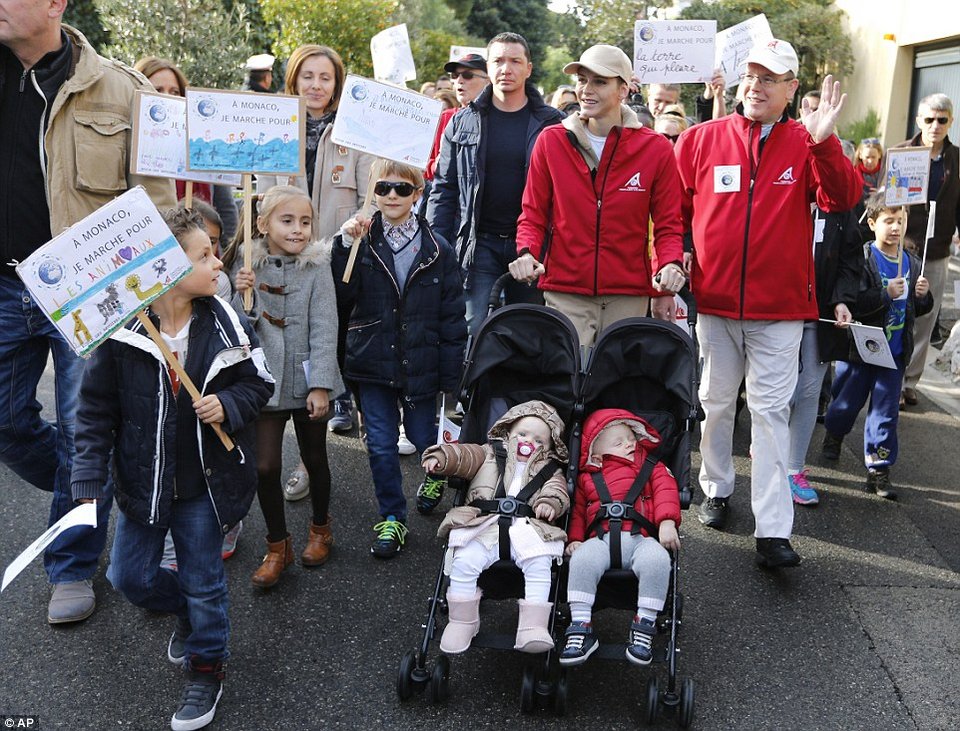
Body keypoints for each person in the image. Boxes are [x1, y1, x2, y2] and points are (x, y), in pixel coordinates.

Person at [0, 5, 175, 624]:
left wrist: (151, 294)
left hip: (85, 291)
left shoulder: (127, 90)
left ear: (54, 3)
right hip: (3, 290)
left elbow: (157, 203)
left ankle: (72, 564)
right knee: (8, 425)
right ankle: (92, 487)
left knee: (82, 429)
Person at [70, 206, 273, 730]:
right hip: (146, 483)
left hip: (206, 485)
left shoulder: (226, 320)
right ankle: (187, 612)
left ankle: (207, 666)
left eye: (214, 253)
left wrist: (228, 404)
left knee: (206, 582)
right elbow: (94, 412)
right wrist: (88, 475)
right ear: (163, 266)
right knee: (128, 577)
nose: (217, 265)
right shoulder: (121, 334)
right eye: (203, 256)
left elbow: (260, 382)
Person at [673, 39, 860, 568]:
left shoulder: (807, 142)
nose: (757, 86)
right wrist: (681, 249)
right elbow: (675, 207)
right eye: (751, 76)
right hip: (714, 303)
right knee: (714, 402)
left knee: (771, 414)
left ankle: (773, 530)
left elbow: (842, 199)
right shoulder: (702, 138)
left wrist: (825, 144)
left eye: (770, 78)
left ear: (791, 88)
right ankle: (717, 487)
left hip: (779, 312)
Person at [509, 45, 685, 349]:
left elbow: (668, 224)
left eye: (599, 82)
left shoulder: (656, 149)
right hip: (566, 290)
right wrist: (526, 253)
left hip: (628, 293)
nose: (586, 90)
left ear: (624, 89)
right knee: (571, 386)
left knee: (614, 389)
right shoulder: (551, 141)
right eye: (582, 80)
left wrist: (669, 265)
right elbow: (533, 215)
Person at [332, 161, 467, 557]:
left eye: (402, 189)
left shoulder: (439, 249)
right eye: (384, 187)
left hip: (421, 361)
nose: (392, 195)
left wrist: (450, 374)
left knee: (425, 439)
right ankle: (392, 516)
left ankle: (436, 476)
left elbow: (452, 316)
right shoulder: (360, 239)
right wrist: (344, 246)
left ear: (418, 194)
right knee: (380, 444)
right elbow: (341, 297)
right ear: (373, 191)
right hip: (372, 359)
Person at [257, 45, 374, 472]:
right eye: (308, 76)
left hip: (337, 255)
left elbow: (369, 196)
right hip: (284, 256)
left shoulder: (352, 132)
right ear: (294, 80)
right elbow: (266, 193)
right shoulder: (275, 127)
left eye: (325, 78)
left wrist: (360, 222)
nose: (316, 85)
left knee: (329, 335)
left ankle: (318, 433)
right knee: (286, 341)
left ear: (336, 84)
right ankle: (284, 417)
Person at [231, 186, 342, 588]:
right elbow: (234, 327)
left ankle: (320, 528)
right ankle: (277, 545)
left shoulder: (317, 267)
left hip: (306, 377)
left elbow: (326, 326)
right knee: (264, 466)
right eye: (287, 220)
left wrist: (321, 385)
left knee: (315, 458)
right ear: (262, 224)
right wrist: (237, 291)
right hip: (265, 381)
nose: (298, 229)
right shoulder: (246, 267)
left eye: (306, 222)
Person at [427, 32, 564, 335]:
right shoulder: (462, 121)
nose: (506, 68)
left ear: (529, 68)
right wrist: (437, 245)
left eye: (515, 61)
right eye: (499, 61)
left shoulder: (553, 123)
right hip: (479, 244)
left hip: (534, 245)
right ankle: (476, 385)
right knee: (475, 329)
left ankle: (521, 385)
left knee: (528, 331)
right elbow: (444, 189)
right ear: (488, 68)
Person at [422, 400, 569, 654]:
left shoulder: (550, 468)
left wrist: (550, 503)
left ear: (549, 447)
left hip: (528, 527)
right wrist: (442, 456)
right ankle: (462, 621)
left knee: (540, 564)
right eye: (522, 434)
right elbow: (463, 456)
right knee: (464, 560)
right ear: (509, 432)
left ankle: (533, 626)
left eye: (538, 440)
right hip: (483, 523)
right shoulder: (489, 452)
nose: (528, 442)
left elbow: (558, 490)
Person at [822, 193, 933, 499]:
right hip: (861, 351)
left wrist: (922, 295)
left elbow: (917, 309)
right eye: (888, 221)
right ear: (872, 224)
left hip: (894, 354)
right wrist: (886, 293)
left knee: (885, 412)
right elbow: (854, 303)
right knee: (845, 403)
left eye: (900, 220)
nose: (895, 227)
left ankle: (879, 468)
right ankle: (834, 433)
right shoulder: (864, 259)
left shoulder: (911, 261)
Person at [559, 409, 680, 667]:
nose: (629, 444)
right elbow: (579, 511)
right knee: (581, 560)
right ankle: (580, 624)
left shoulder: (651, 467)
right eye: (618, 442)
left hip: (641, 538)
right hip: (599, 540)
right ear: (595, 452)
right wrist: (574, 539)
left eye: (630, 438)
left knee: (658, 561)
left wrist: (667, 521)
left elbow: (666, 490)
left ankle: (644, 624)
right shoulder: (587, 478)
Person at [785, 123, 864, 505]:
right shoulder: (783, 192)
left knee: (810, 390)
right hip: (777, 310)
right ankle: (769, 451)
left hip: (819, 313)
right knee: (774, 392)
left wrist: (842, 299)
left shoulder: (842, 208)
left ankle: (793, 467)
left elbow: (851, 258)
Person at [896, 94, 960, 408]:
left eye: (942, 120)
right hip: (903, 247)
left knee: (926, 318)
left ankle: (910, 381)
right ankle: (891, 379)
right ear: (919, 120)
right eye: (930, 119)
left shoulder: (956, 158)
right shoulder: (903, 153)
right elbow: (887, 199)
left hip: (937, 249)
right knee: (897, 313)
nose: (935, 126)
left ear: (950, 122)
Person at [134, 56, 238, 243]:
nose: (167, 97)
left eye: (175, 92)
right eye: (157, 90)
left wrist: (223, 253)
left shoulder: (203, 146)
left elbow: (226, 210)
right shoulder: (128, 145)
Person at [424, 53, 490, 184]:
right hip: (447, 198)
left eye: (467, 75)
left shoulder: (499, 119)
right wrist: (436, 166)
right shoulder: (445, 117)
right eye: (455, 76)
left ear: (488, 81)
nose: (459, 80)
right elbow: (422, 164)